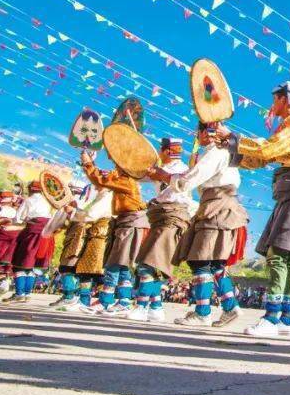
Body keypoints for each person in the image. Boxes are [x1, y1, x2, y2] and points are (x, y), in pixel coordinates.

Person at [226, 82, 290, 339]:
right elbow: (262, 158)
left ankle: (272, 317)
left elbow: (265, 150)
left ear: (285, 100)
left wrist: (234, 140)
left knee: (279, 254)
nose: (272, 105)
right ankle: (287, 319)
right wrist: (232, 149)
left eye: (275, 99)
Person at [152, 122, 248, 329]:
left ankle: (203, 312)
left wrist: (166, 176)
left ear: (204, 133)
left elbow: (191, 180)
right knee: (214, 264)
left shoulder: (215, 152)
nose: (198, 137)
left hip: (216, 208)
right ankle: (230, 307)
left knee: (201, 261)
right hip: (219, 207)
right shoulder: (224, 151)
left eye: (199, 133)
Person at [128, 138, 194, 323]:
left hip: (174, 216)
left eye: (160, 151)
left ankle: (141, 306)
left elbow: (174, 192)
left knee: (149, 262)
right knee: (155, 263)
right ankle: (156, 307)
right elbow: (138, 174)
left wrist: (158, 182)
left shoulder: (183, 171)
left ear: (166, 151)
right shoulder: (159, 169)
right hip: (160, 217)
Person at [81, 154, 148, 316]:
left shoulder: (126, 181)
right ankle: (124, 301)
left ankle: (105, 300)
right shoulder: (123, 180)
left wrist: (88, 163)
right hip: (128, 222)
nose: (114, 167)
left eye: (117, 164)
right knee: (123, 264)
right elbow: (104, 179)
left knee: (114, 262)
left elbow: (101, 181)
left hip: (131, 223)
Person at [4, 181, 52, 304]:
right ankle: (27, 294)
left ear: (31, 189)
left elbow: (18, 218)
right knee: (32, 266)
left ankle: (19, 294)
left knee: (20, 262)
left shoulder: (29, 200)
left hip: (31, 233)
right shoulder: (48, 201)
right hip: (45, 234)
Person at [48, 181, 88, 309]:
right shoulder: (80, 202)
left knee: (67, 268)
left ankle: (69, 297)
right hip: (75, 236)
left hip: (78, 238)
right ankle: (72, 297)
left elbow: (83, 217)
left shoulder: (79, 203)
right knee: (70, 268)